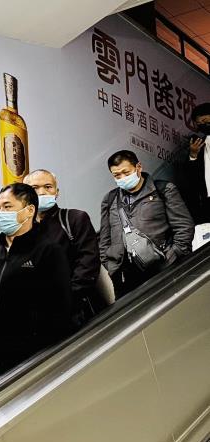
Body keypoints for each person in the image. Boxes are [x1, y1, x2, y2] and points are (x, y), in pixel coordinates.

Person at [0, 183, 72, 389]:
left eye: (8, 207)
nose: (1, 213)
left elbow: (61, 308)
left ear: (29, 210)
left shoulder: (48, 251)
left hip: (27, 358)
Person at [100, 150, 194, 298]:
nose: (122, 178)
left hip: (164, 268)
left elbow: (184, 227)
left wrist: (172, 256)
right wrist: (111, 265)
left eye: (126, 172)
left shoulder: (163, 190)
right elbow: (104, 239)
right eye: (117, 175)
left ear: (138, 167)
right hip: (126, 278)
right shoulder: (110, 199)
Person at [25, 169, 110, 327]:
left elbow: (88, 262)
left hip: (80, 310)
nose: (41, 192)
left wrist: (66, 299)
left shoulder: (74, 219)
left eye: (48, 187)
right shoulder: (23, 233)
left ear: (57, 192)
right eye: (35, 188)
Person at [175, 103, 210, 249]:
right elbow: (191, 179)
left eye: (206, 121)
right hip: (206, 201)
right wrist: (193, 155)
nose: (204, 125)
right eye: (200, 123)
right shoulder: (200, 144)